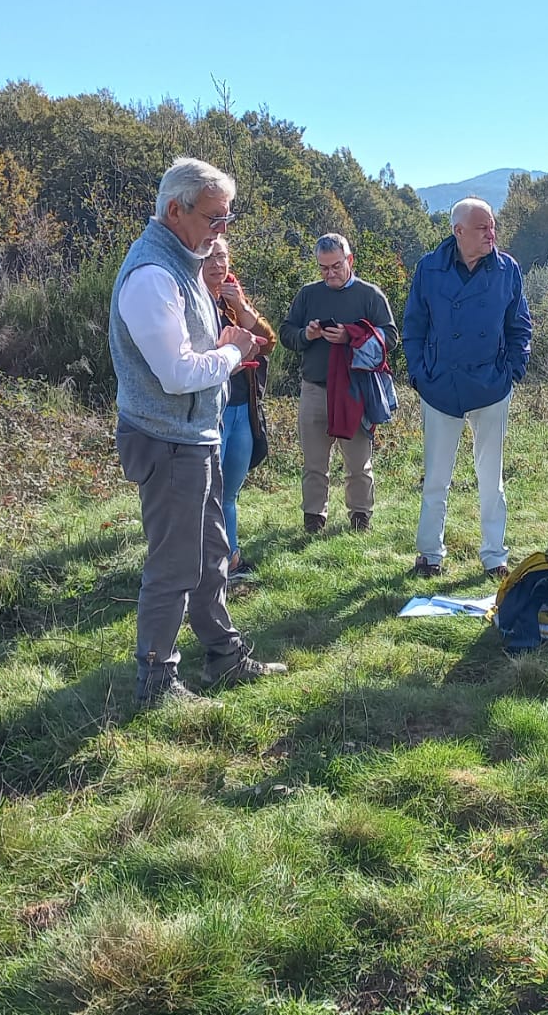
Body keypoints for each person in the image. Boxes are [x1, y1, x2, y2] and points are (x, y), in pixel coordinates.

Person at [109, 157, 287, 708]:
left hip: (195, 435)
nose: (222, 231)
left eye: (227, 218)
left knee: (211, 550)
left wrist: (225, 345)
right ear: (174, 210)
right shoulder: (152, 277)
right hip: (167, 441)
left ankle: (224, 656)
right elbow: (177, 372)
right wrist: (233, 351)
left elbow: (190, 361)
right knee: (174, 563)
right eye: (214, 219)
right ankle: (156, 682)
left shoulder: (187, 261)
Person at [403, 198, 532, 579]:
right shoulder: (429, 268)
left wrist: (512, 371)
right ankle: (430, 555)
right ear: (458, 232)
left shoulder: (508, 269)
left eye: (492, 226)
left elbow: (519, 326)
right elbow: (414, 326)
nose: (490, 233)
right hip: (440, 386)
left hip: (491, 387)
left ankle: (495, 556)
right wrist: (419, 374)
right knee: (436, 477)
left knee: (491, 478)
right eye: (481, 228)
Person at [280, 233, 397, 534]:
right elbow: (286, 333)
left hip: (354, 389)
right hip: (315, 388)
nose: (330, 273)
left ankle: (360, 518)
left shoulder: (370, 296)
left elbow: (392, 337)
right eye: (323, 268)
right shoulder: (308, 295)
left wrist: (352, 337)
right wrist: (307, 334)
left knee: (358, 462)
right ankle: (313, 519)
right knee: (314, 462)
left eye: (336, 266)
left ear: (350, 260)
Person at [200, 237, 276, 581]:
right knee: (206, 493)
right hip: (210, 412)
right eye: (211, 257)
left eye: (223, 257)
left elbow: (267, 343)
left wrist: (242, 308)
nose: (218, 264)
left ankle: (231, 560)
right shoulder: (193, 301)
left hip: (242, 412)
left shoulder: (233, 300)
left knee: (229, 491)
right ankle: (206, 566)